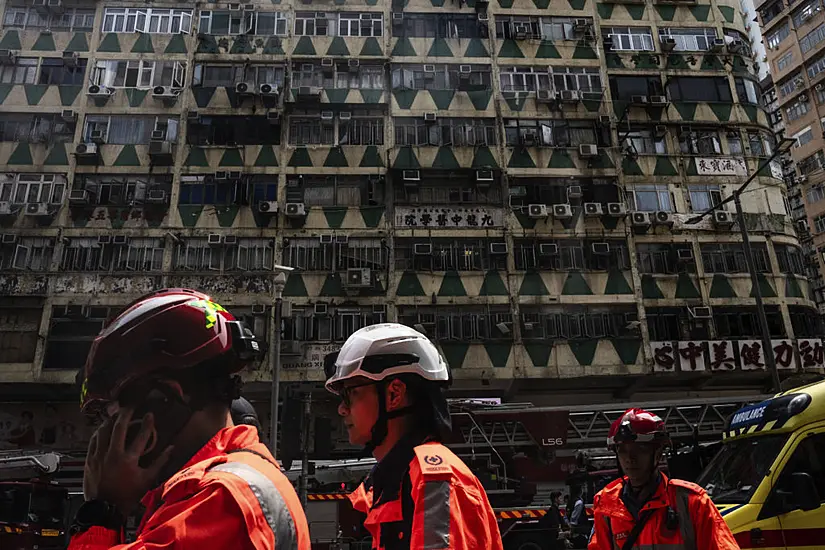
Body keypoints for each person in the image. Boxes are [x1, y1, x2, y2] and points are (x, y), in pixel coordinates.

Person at [70, 288, 311, 550]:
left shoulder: (220, 499)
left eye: (111, 415)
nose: (104, 435)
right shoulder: (228, 482)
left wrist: (102, 513)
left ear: (166, 399)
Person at [324, 323, 503, 550]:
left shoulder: (432, 480)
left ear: (394, 394)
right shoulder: (399, 478)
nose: (342, 409)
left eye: (350, 394)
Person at [588, 408, 739, 550]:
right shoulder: (606, 505)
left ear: (658, 454)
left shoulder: (692, 502)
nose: (630, 459)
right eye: (622, 451)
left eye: (640, 449)